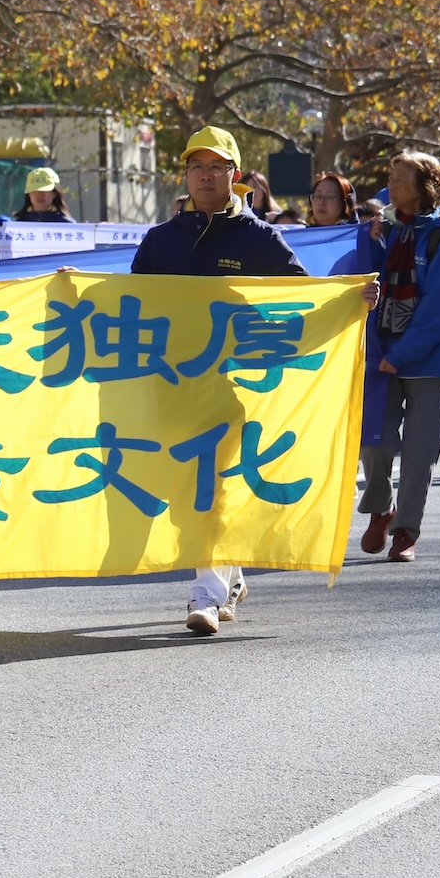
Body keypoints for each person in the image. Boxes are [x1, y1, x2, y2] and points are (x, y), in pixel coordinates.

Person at [130, 128, 303, 632]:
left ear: (235, 175)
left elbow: (304, 297)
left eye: (216, 167)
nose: (205, 176)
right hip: (171, 387)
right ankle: (231, 575)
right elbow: (128, 306)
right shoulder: (160, 240)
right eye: (196, 167)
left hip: (233, 389)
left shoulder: (260, 238)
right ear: (185, 176)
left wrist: (352, 299)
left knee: (210, 488)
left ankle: (204, 595)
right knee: (185, 495)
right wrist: (76, 291)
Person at [356, 152, 440, 563]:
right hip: (381, 355)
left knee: (420, 454)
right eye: (390, 177)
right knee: (375, 442)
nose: (392, 185)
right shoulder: (383, 232)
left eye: (400, 179)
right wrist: (369, 245)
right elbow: (365, 283)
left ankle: (405, 530)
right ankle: (381, 508)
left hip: (429, 361)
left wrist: (403, 354)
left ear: (425, 188)